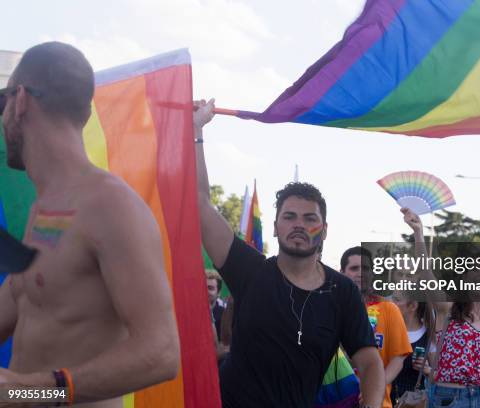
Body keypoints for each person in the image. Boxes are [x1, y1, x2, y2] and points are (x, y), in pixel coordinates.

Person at [0, 42, 179, 407]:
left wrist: (28, 389)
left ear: (20, 100)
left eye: (2, 102)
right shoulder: (47, 211)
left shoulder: (109, 205)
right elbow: (26, 301)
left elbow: (161, 352)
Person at [193, 100, 385, 408]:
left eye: (310, 219)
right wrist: (196, 131)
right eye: (290, 216)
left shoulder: (342, 291)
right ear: (275, 228)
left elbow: (370, 361)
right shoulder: (250, 270)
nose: (299, 225)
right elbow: (201, 206)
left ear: (324, 230)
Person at [401, 207, 480, 408]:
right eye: (475, 267)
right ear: (464, 276)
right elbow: (425, 272)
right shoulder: (448, 308)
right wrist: (418, 233)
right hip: (450, 399)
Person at [340, 246, 412, 408]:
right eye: (354, 268)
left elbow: (398, 359)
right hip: (335, 400)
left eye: (365, 268)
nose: (360, 273)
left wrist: (372, 389)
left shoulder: (389, 308)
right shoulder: (331, 309)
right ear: (342, 272)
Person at [390, 292, 434, 405]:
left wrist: (427, 370)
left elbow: (440, 376)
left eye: (397, 299)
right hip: (384, 399)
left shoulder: (429, 336)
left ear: (413, 306)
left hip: (412, 403)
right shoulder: (387, 329)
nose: (391, 303)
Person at [206, 269, 226, 335]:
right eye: (203, 287)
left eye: (210, 288)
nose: (205, 291)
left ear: (219, 292)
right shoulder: (190, 313)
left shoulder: (224, 315)